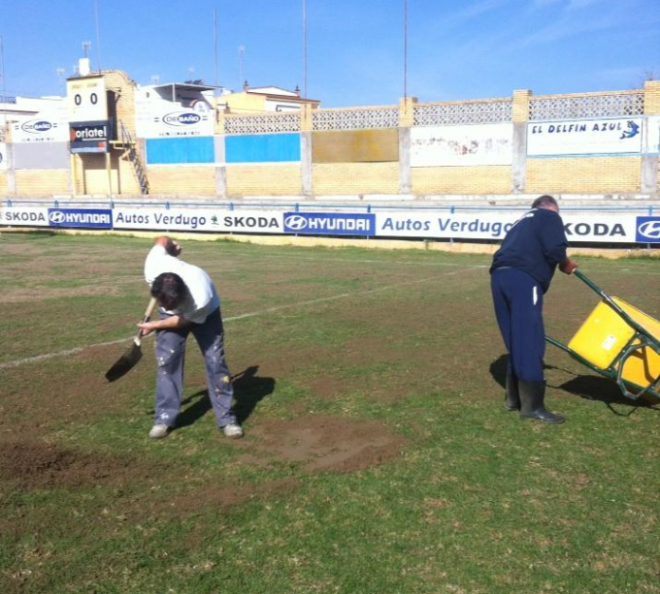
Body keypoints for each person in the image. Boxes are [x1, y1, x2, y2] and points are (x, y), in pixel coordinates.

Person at [137, 235, 243, 439]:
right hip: (176, 312)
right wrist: (171, 246)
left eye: (170, 305)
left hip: (206, 315)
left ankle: (227, 418)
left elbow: (185, 320)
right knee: (167, 362)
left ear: (182, 295)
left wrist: (154, 325)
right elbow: (162, 239)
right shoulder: (153, 266)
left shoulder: (199, 295)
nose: (165, 308)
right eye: (162, 305)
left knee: (215, 362)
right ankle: (164, 418)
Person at [490, 195, 578, 424]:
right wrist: (565, 263)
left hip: (500, 276)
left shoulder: (521, 222)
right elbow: (555, 247)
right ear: (551, 207)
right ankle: (533, 407)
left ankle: (513, 399)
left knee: (515, 337)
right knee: (529, 338)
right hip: (524, 278)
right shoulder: (548, 215)